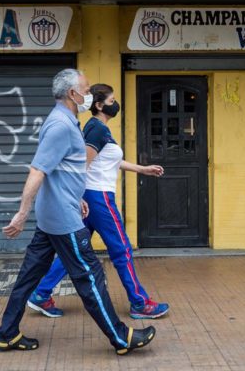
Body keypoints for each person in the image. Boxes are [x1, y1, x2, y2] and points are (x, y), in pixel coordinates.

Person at [0, 69, 156, 355]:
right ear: (73, 94)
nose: (89, 94)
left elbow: (62, 170)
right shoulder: (61, 126)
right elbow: (38, 170)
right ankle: (121, 337)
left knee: (28, 278)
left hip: (55, 215)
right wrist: (21, 213)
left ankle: (7, 334)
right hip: (63, 220)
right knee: (91, 277)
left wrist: (75, 196)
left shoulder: (64, 120)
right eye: (86, 88)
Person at [27, 83, 170, 320]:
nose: (116, 104)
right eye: (112, 101)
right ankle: (139, 302)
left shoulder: (99, 128)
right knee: (121, 249)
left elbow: (108, 161)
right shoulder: (96, 130)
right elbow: (82, 164)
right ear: (100, 105)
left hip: (91, 197)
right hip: (99, 198)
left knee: (76, 251)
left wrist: (142, 169)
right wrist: (77, 196)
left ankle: (41, 293)